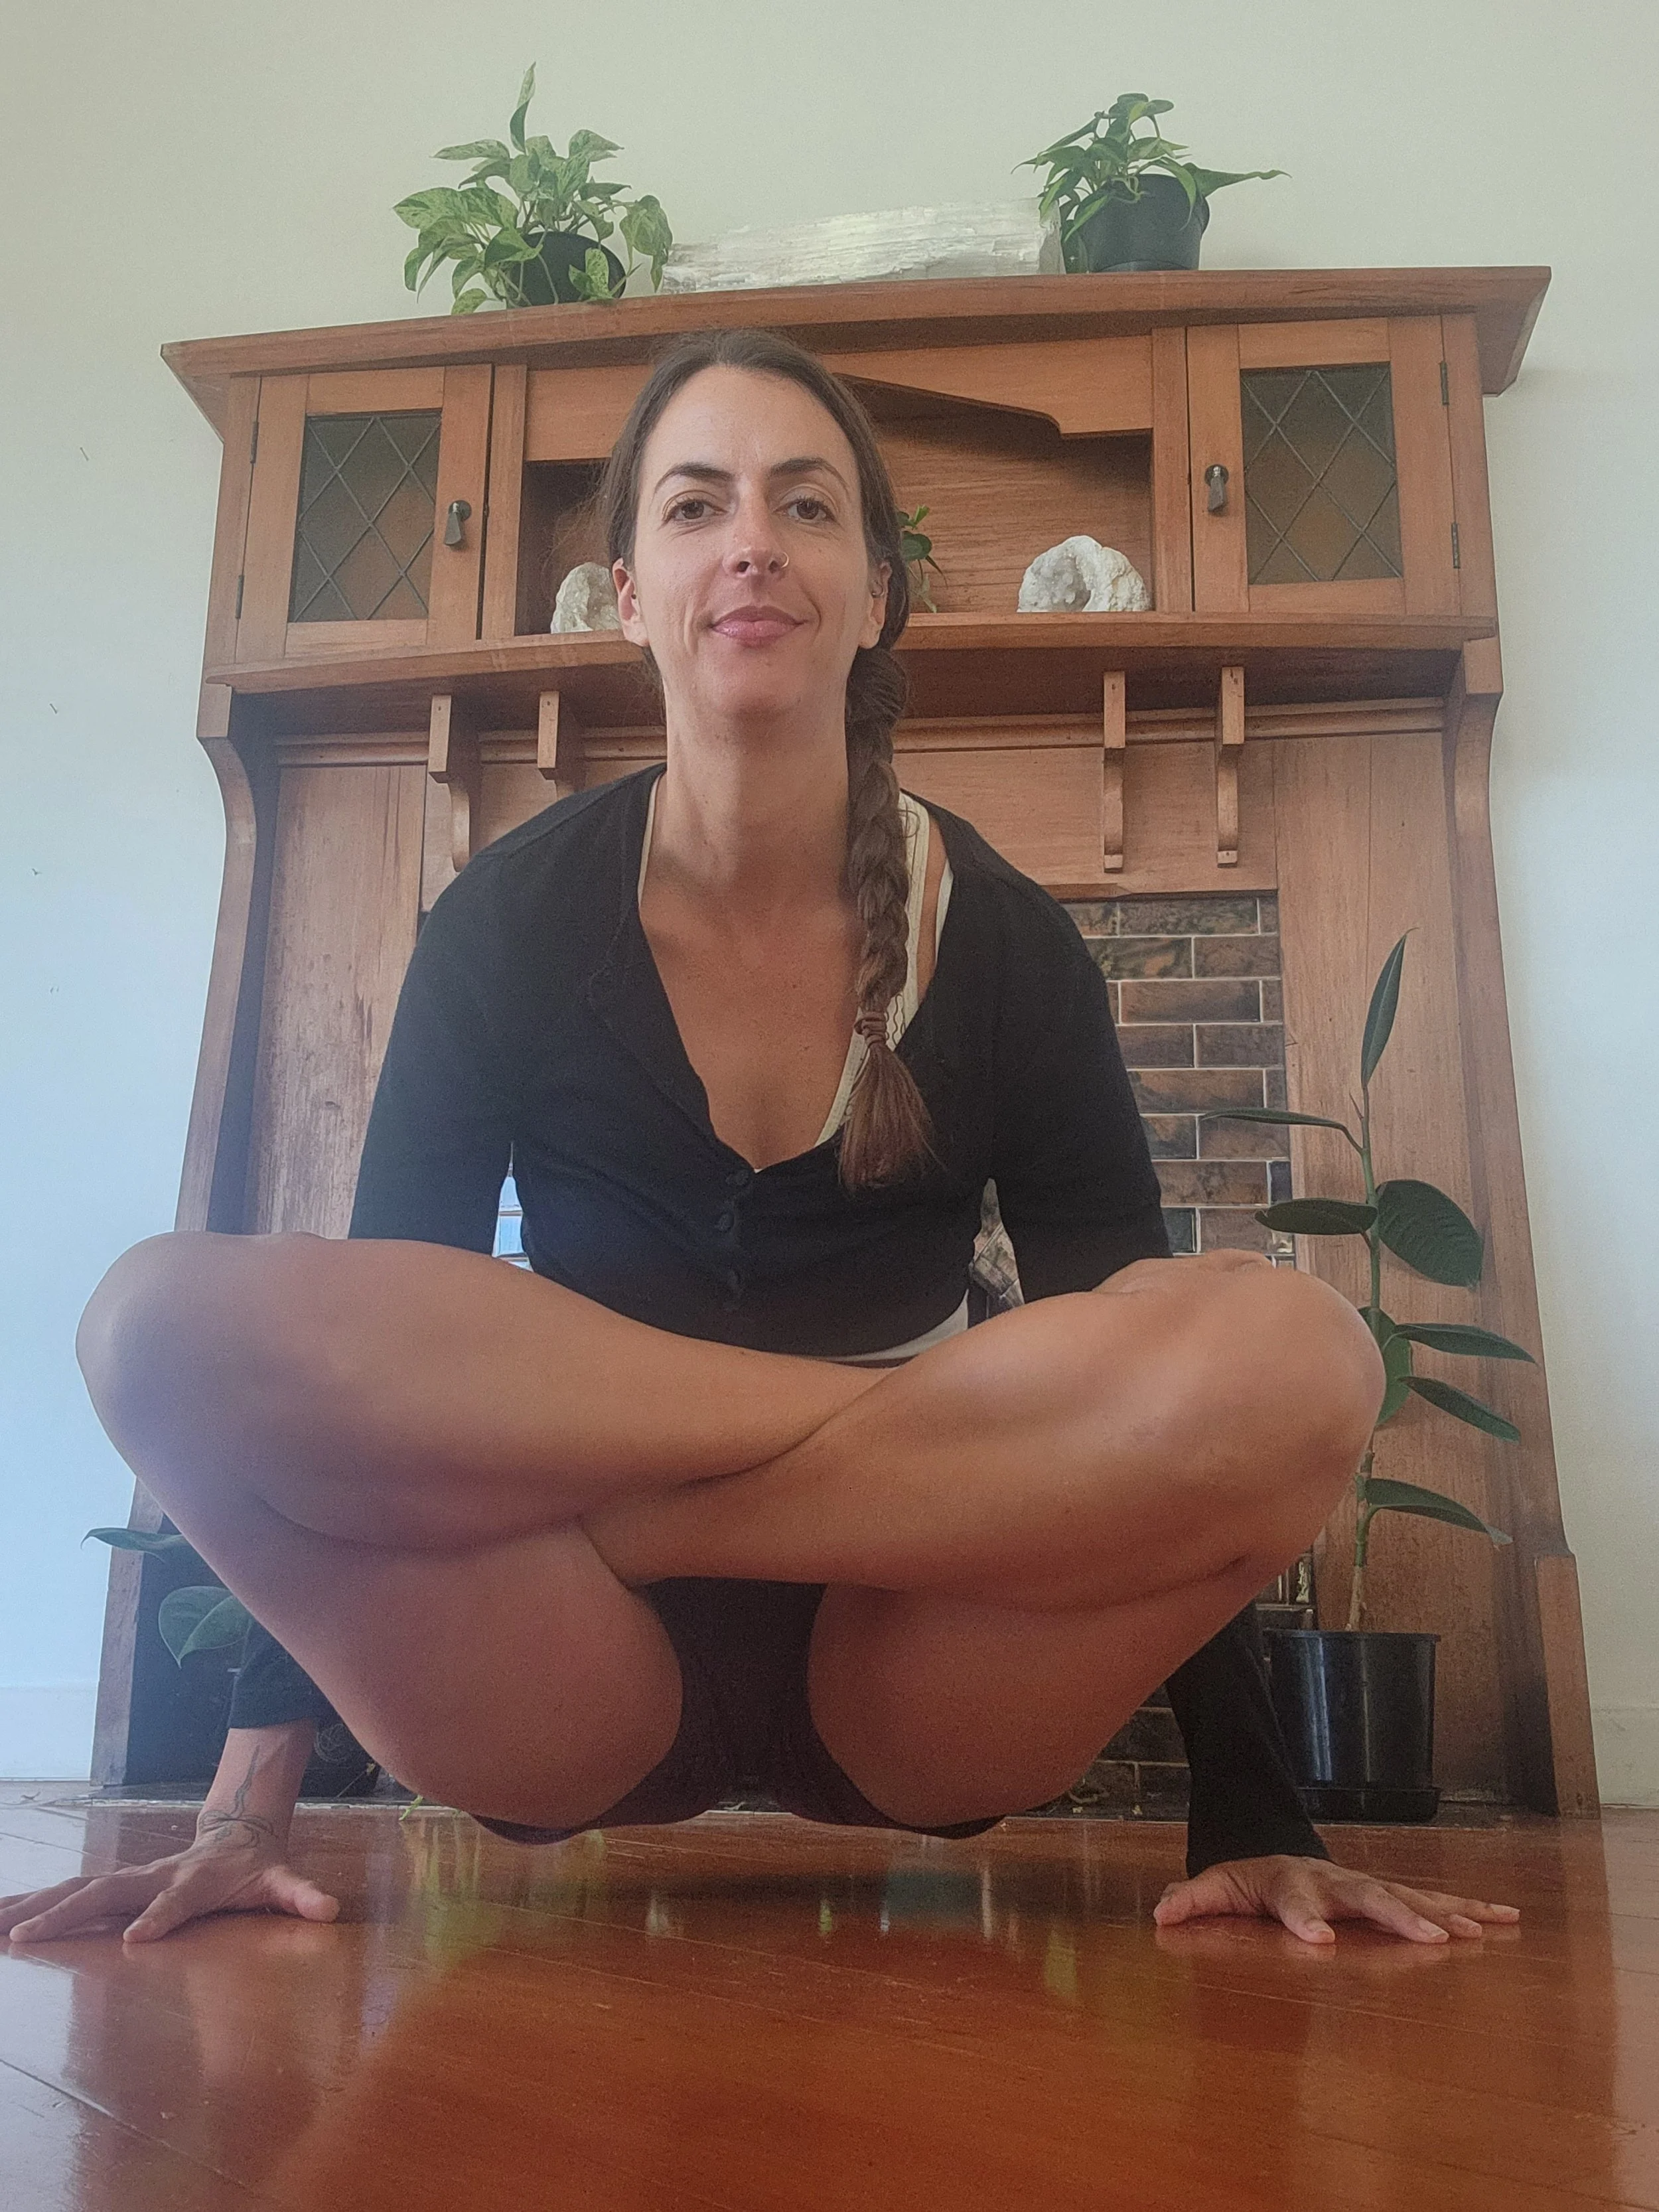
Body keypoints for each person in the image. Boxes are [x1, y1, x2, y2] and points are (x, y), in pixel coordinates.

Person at [6, 330, 1518, 1952]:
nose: (751, 542)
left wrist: (1255, 1814)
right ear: (625, 592)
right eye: (694, 505)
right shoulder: (506, 923)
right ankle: (766, 1469)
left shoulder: (1006, 943)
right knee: (150, 1324)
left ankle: (674, 1506)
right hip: (552, 1651)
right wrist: (242, 1810)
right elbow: (381, 1344)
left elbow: (1152, 1374)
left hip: (923, 1656)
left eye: (805, 505)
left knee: (1302, 1358)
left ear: (874, 594)